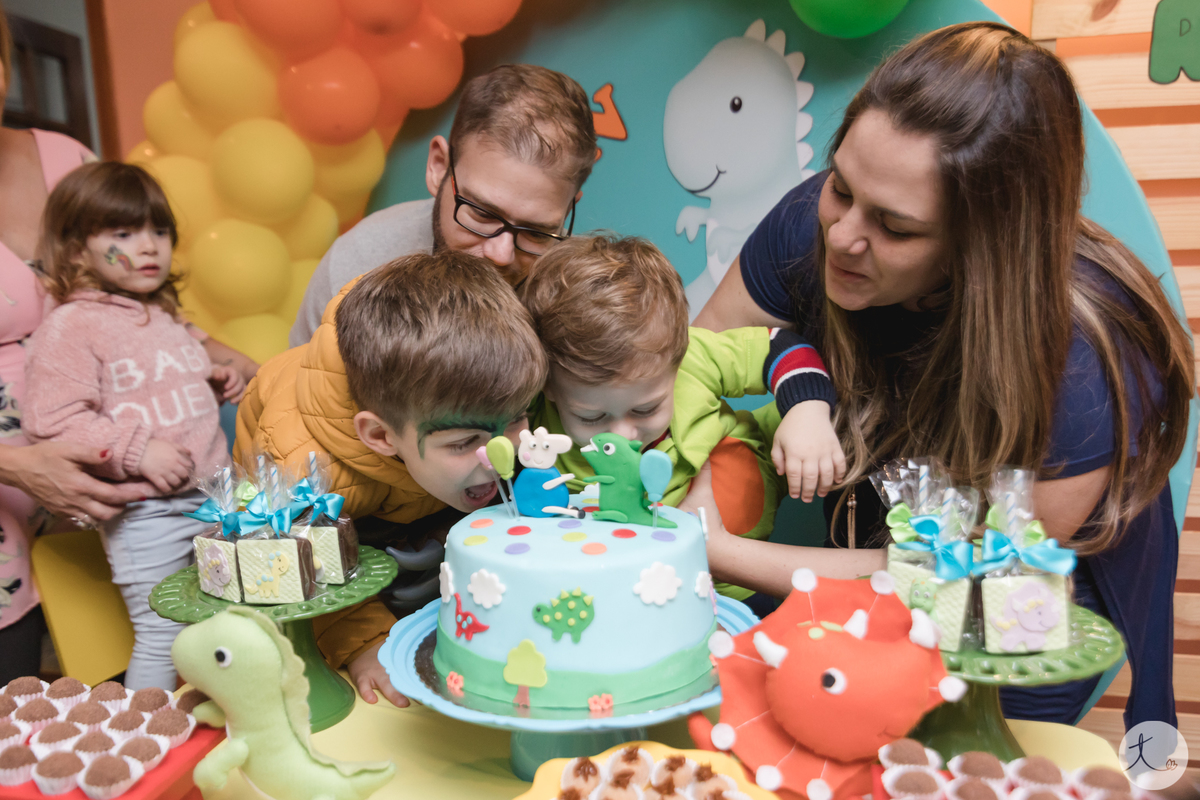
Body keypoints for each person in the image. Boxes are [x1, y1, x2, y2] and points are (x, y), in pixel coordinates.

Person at [686, 22, 1193, 729]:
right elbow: (701, 356)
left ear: (984, 246)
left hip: (1012, 620)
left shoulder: (1084, 364)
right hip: (863, 566)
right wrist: (776, 409)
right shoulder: (824, 218)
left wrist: (716, 550)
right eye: (840, 184)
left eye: (895, 227)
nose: (839, 236)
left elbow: (953, 574)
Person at [235, 250, 547, 705]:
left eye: (516, 419)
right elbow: (304, 571)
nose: (500, 456)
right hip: (317, 497)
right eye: (464, 441)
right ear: (381, 435)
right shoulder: (300, 469)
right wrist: (363, 643)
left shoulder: (463, 420)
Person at [520, 234, 842, 607]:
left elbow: (781, 348)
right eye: (591, 416)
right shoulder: (531, 422)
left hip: (744, 587)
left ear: (677, 359)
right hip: (623, 597)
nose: (625, 433)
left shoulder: (695, 355)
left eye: (645, 409)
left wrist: (808, 410)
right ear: (548, 387)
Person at [21, 162, 244, 690]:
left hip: (215, 497)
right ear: (77, 250)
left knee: (227, 615)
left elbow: (144, 387)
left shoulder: (158, 315)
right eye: (124, 234)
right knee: (163, 631)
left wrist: (205, 380)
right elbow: (52, 420)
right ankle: (146, 741)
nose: (148, 247)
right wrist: (137, 451)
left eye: (158, 231)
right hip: (148, 513)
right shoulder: (71, 325)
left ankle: (219, 719)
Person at [288, 63, 596, 347]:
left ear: (568, 210)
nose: (501, 255)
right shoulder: (354, 268)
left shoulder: (581, 307)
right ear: (438, 167)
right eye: (482, 213)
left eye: (535, 231)